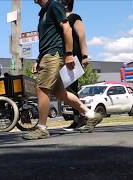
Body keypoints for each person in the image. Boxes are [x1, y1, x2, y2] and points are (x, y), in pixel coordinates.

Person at [23, 0, 102, 140]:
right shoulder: (43, 12)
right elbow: (46, 39)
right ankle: (90, 115)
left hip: (54, 55)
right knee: (60, 93)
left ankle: (42, 128)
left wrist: (69, 54)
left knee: (42, 88)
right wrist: (38, 59)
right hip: (47, 54)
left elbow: (67, 29)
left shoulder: (54, 5)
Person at [59, 0, 90, 131]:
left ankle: (83, 117)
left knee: (71, 89)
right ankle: (79, 118)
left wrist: (85, 56)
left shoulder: (74, 18)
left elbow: (82, 36)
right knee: (68, 89)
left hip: (74, 57)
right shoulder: (61, 20)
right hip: (64, 58)